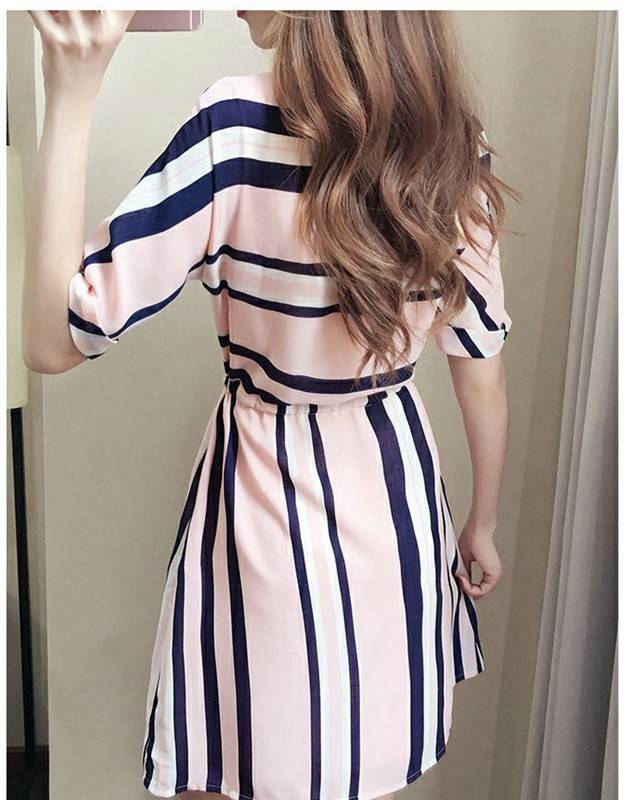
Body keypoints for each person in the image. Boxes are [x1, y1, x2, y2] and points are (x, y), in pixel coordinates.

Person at [23, 9, 515, 800]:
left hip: (265, 504)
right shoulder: (454, 142)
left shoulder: (235, 132)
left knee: (238, 754)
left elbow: (55, 339)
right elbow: (480, 372)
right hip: (398, 503)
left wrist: (71, 95)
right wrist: (481, 523)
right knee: (354, 757)